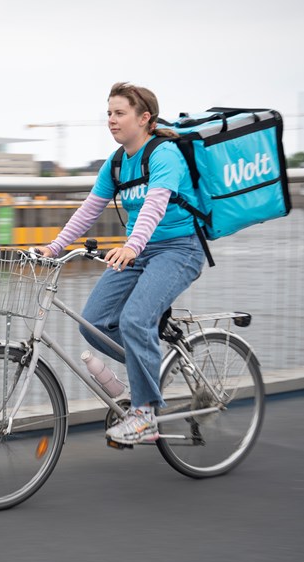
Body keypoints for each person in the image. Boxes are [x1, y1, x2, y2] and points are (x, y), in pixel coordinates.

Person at [36, 82, 206, 445]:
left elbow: (155, 205)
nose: (111, 120)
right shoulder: (115, 164)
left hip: (179, 249)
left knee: (134, 320)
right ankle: (150, 370)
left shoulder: (164, 155)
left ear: (144, 118)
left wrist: (132, 245)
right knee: (93, 322)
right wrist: (53, 247)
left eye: (119, 113)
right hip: (140, 250)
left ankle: (145, 416)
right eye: (108, 113)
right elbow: (89, 211)